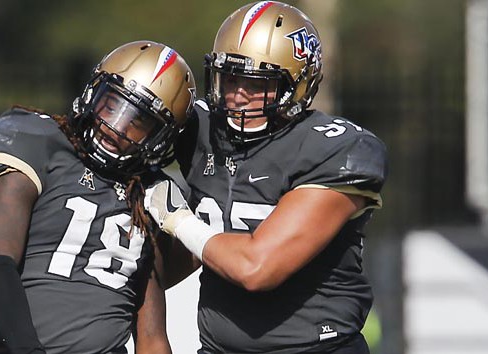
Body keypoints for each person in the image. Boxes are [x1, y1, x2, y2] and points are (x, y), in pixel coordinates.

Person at [145, 2, 388, 353]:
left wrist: (178, 220)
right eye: (229, 78)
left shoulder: (338, 148)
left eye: (255, 83)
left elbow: (256, 268)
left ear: (298, 87)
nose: (237, 94)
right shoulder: (201, 129)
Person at [0, 40, 196, 354]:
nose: (117, 127)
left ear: (160, 138)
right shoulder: (39, 145)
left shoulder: (149, 193)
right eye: (114, 104)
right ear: (94, 91)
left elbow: (152, 334)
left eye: (139, 121)